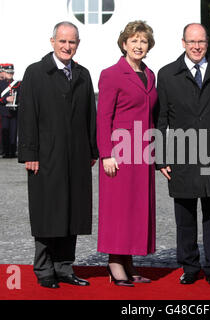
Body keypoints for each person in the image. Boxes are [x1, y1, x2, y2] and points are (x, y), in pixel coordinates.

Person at [18, 21, 98, 289]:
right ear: (52, 41)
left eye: (72, 42)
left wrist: (92, 149)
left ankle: (64, 267)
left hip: (76, 155)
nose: (67, 46)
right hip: (46, 155)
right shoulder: (35, 73)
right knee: (47, 212)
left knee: (72, 211)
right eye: (62, 41)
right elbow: (27, 115)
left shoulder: (84, 74)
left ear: (78, 44)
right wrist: (29, 152)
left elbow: (90, 116)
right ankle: (44, 269)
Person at [155, 23, 210, 287]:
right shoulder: (166, 74)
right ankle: (189, 266)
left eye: (201, 42)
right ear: (183, 43)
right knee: (185, 217)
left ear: (207, 43)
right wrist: (161, 158)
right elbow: (162, 119)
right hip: (181, 154)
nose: (197, 47)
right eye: (192, 42)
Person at [97, 20, 157, 287]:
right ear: (124, 44)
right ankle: (114, 263)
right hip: (119, 155)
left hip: (142, 154)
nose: (138, 45)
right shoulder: (111, 74)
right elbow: (103, 118)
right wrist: (106, 154)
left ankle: (129, 261)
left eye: (143, 41)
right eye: (134, 40)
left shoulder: (150, 75)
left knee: (137, 209)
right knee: (118, 210)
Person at [0, 64, 20, 158]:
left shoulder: (18, 84)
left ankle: (12, 151)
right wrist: (6, 99)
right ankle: (5, 151)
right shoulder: (1, 84)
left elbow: (21, 96)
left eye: (11, 73)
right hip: (4, 112)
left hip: (14, 112)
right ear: (4, 72)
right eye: (8, 73)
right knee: (4, 132)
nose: (10, 74)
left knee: (13, 132)